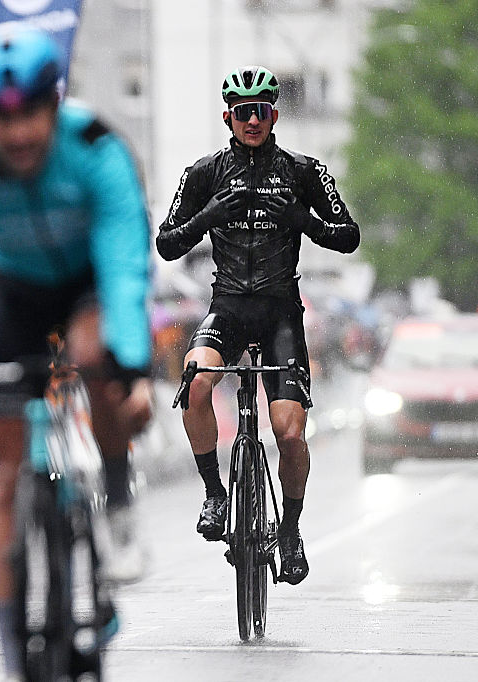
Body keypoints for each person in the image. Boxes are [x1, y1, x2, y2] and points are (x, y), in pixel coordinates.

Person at [0, 24, 154, 676]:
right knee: (10, 478)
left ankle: (118, 497)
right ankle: (14, 649)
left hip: (88, 283)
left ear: (54, 102)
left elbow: (125, 269)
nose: (17, 134)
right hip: (17, 292)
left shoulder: (95, 148)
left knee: (94, 355)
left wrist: (133, 369)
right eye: (0, 118)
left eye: (31, 116)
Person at [156, 65, 360, 586]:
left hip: (280, 315)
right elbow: (167, 243)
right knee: (195, 382)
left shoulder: (303, 170)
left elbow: (348, 236)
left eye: (262, 111)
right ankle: (214, 494)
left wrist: (304, 221)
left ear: (275, 115)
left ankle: (289, 530)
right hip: (227, 309)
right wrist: (207, 216)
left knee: (289, 433)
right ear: (228, 117)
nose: (253, 120)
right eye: (243, 112)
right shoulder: (204, 173)